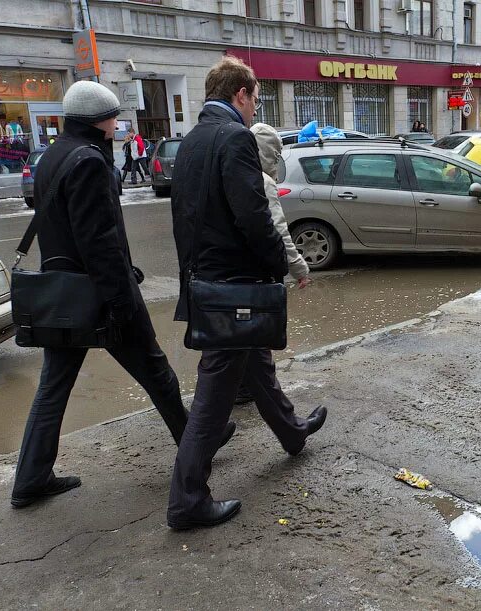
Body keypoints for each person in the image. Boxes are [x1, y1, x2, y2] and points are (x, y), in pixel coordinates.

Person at [10, 81, 234, 509]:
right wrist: (122, 301)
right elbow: (99, 241)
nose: (117, 124)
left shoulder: (53, 155)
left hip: (63, 296)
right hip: (99, 294)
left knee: (52, 388)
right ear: (100, 120)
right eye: (114, 117)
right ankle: (197, 445)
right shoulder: (91, 162)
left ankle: (30, 477)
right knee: (158, 373)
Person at [168, 56, 327, 530]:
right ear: (240, 93)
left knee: (256, 363)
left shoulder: (193, 139)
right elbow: (253, 216)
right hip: (235, 287)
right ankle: (187, 501)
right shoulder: (235, 137)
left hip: (211, 283)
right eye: (256, 98)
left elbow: (184, 218)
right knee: (213, 400)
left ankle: (293, 433)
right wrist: (277, 265)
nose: (255, 107)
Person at [232, 122, 310, 406]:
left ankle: (247, 389)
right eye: (276, 154)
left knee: (236, 338)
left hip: (230, 273)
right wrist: (299, 267)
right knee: (258, 336)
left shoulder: (233, 173)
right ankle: (266, 402)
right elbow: (278, 230)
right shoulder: (262, 182)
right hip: (256, 273)